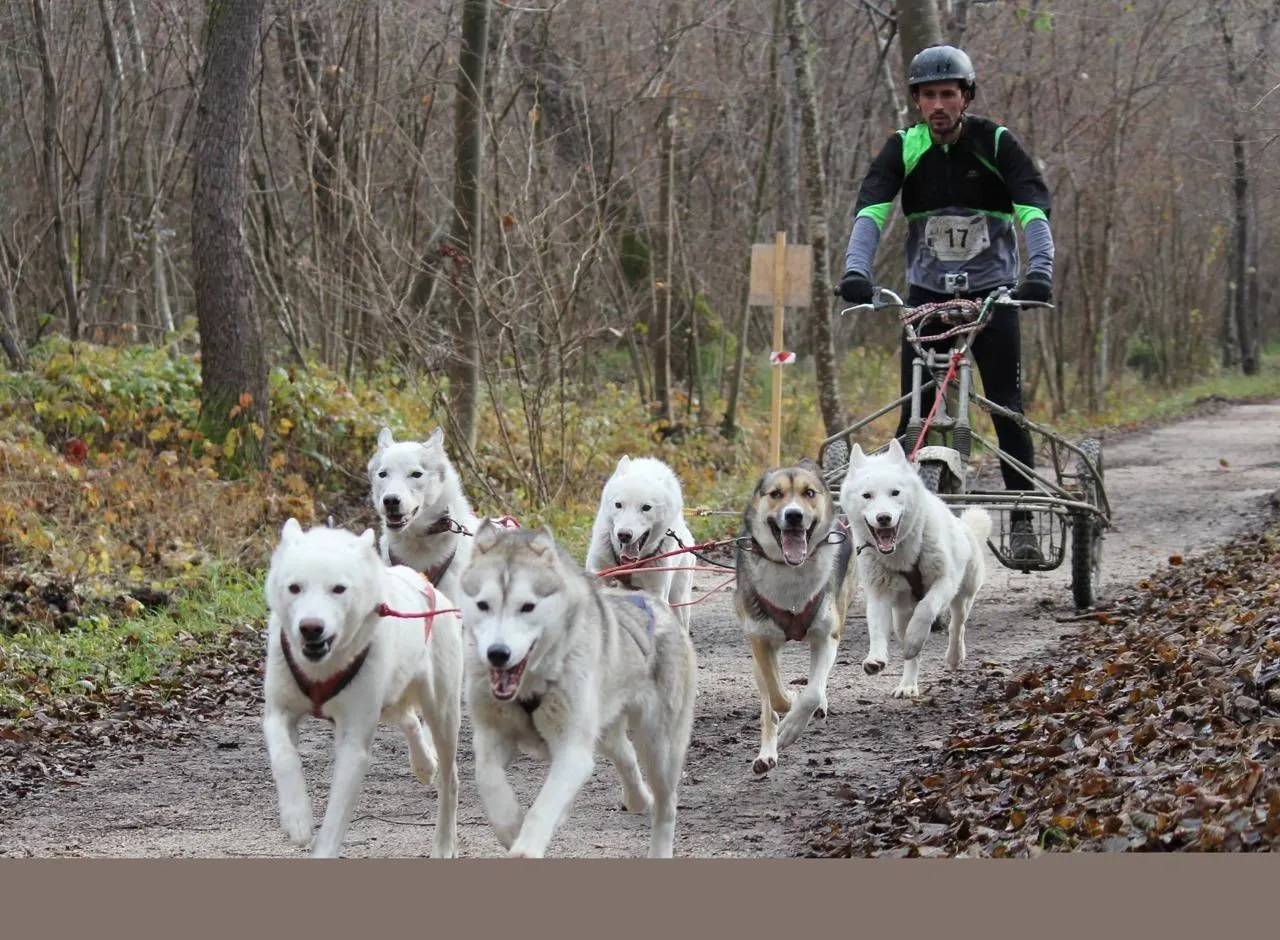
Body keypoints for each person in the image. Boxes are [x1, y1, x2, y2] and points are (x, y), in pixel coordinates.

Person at [838, 44, 1054, 563]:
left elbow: (1032, 207)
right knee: (913, 415)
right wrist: (856, 270)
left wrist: (1040, 271)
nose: (939, 105)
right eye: (929, 95)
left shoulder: (995, 142)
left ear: (966, 97)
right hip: (927, 299)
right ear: (917, 100)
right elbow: (871, 211)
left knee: (1006, 409)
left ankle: (1022, 520)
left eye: (948, 94)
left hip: (994, 296)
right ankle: (904, 532)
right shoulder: (904, 147)